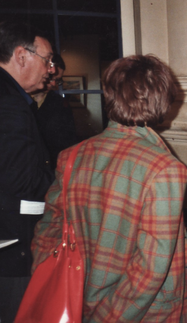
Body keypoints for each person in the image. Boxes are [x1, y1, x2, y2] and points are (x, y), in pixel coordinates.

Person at [31, 55, 187, 322]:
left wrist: (49, 274)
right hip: (133, 313)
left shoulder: (72, 156)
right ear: (162, 102)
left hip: (75, 294)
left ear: (109, 95)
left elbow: (46, 230)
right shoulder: (165, 168)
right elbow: (151, 269)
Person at [0, 21, 56, 323]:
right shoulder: (9, 104)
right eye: (46, 60)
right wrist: (67, 182)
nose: (50, 68)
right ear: (21, 56)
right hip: (12, 246)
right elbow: (22, 183)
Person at [31, 53, 78, 169]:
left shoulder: (61, 105)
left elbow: (68, 144)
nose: (53, 84)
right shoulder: (17, 99)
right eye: (50, 77)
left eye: (57, 80)